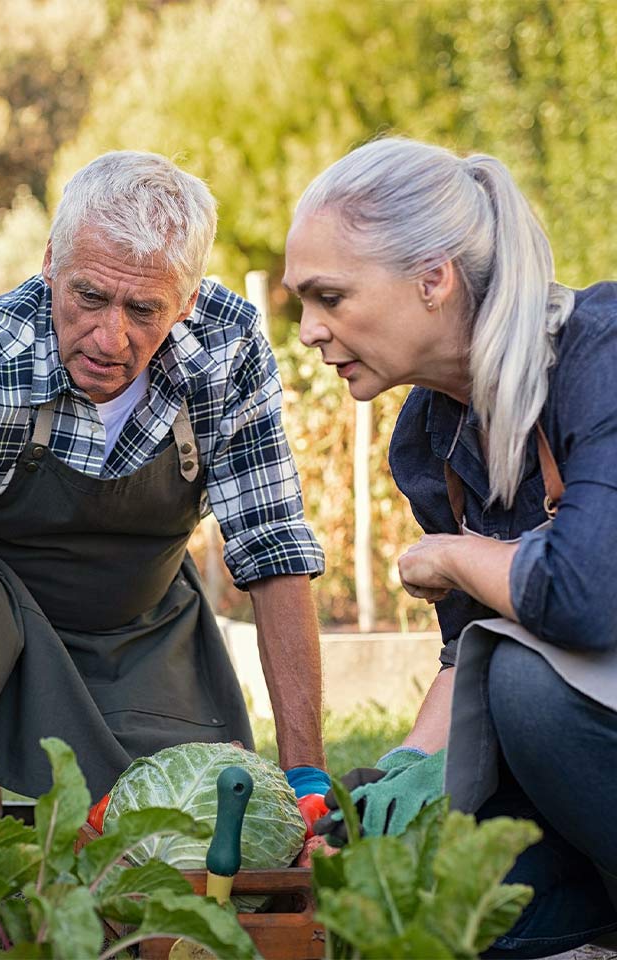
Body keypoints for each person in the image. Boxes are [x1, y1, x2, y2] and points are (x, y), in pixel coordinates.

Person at [0, 151, 330, 820]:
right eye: (89, 296)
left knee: (172, 829)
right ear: (51, 261)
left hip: (140, 624)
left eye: (143, 309)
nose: (110, 337)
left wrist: (307, 767)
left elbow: (273, 548)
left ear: (188, 301)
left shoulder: (228, 347)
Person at [285, 136, 617, 957]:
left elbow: (584, 592)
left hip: (581, 727)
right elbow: (466, 652)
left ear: (433, 280)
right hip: (585, 760)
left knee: (528, 688)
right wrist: (399, 773)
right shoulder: (430, 434)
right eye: (302, 300)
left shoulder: (597, 355)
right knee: (449, 909)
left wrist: (452, 556)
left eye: (330, 296)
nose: (308, 332)